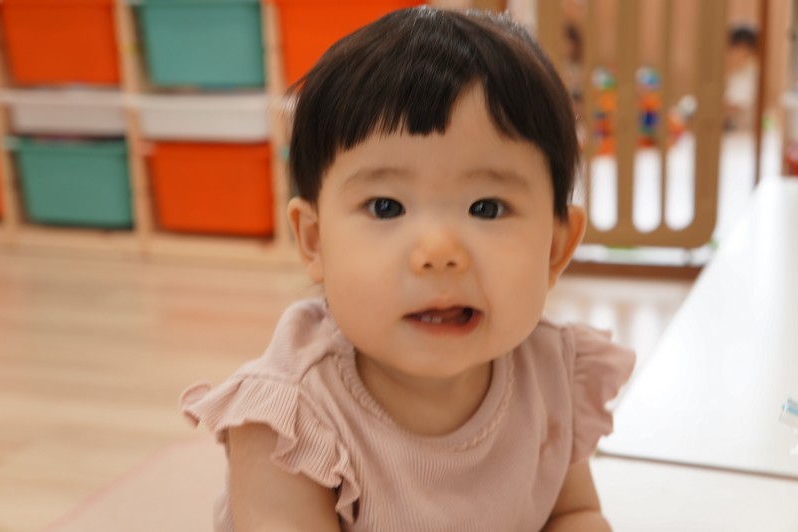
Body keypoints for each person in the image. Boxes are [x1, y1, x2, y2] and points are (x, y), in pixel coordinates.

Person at [180, 7, 635, 531]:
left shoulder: (551, 373)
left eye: (486, 208)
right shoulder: (290, 420)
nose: (438, 251)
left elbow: (574, 513)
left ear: (556, 248)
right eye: (386, 207)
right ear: (315, 241)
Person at [724, 23, 759, 131]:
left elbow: (741, 104)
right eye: (737, 47)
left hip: (742, 127)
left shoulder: (753, 70)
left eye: (745, 48)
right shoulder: (724, 68)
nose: (741, 52)